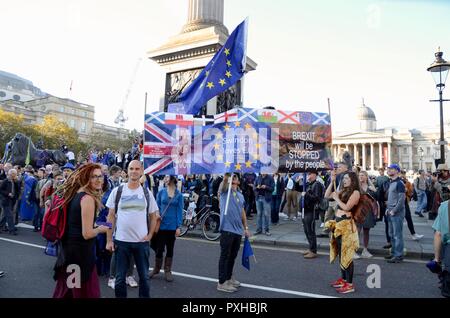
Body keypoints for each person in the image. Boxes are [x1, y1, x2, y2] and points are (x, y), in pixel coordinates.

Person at [52, 163, 110, 298]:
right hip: (80, 255)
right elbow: (87, 233)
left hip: (70, 252)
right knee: (82, 292)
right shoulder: (88, 198)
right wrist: (102, 228)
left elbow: (82, 222)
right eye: (93, 177)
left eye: (100, 176)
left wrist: (106, 223)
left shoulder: (77, 194)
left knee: (70, 290)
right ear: (85, 178)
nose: (98, 180)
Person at [106, 160, 159, 298]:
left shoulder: (147, 193)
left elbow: (154, 217)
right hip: (121, 242)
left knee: (144, 279)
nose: (134, 171)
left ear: (141, 171)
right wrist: (108, 240)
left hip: (141, 243)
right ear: (127, 171)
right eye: (131, 168)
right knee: (119, 280)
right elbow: (110, 217)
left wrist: (150, 235)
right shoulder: (117, 191)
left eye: (137, 169)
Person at [324, 171, 360, 294]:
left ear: (352, 180)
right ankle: (343, 279)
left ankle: (350, 284)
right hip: (338, 225)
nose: (344, 180)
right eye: (343, 178)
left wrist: (336, 198)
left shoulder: (355, 193)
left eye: (346, 178)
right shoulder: (343, 190)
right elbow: (327, 195)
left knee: (347, 256)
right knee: (340, 253)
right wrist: (331, 180)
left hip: (347, 226)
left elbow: (346, 207)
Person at [217, 174, 250, 293]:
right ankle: (221, 282)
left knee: (232, 256)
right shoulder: (225, 190)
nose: (234, 177)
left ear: (239, 181)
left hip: (237, 231)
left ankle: (229, 277)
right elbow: (224, 183)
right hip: (227, 229)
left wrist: (245, 227)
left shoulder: (240, 195)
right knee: (225, 256)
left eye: (235, 176)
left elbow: (242, 212)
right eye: (232, 176)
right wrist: (228, 174)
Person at [151, 175, 183, 282]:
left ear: (173, 179)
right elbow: (156, 206)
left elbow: (179, 211)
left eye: (167, 177)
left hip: (172, 226)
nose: (165, 179)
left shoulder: (179, 195)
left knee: (170, 249)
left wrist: (178, 226)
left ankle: (168, 270)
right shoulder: (161, 192)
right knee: (159, 248)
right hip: (161, 225)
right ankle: (156, 268)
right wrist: (157, 214)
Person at [385, 164, 406, 263]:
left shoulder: (400, 183)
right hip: (390, 211)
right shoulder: (391, 182)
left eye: (391, 169)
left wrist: (394, 210)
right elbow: (392, 198)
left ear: (397, 171)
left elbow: (401, 200)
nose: (389, 170)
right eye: (388, 169)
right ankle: (393, 253)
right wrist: (388, 209)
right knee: (392, 234)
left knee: (397, 235)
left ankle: (398, 255)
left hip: (396, 213)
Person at [355, 171, 378, 259]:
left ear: (366, 177)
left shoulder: (370, 187)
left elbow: (376, 198)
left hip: (368, 211)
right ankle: (353, 250)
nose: (361, 177)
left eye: (363, 175)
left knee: (366, 231)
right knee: (357, 231)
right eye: (359, 175)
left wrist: (374, 191)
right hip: (358, 211)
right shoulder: (356, 187)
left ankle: (365, 250)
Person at [302, 171, 324, 259]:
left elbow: (317, 198)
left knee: (310, 231)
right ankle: (311, 248)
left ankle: (313, 251)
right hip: (306, 210)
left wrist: (306, 194)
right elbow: (297, 188)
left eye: (310, 174)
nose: (308, 175)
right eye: (308, 174)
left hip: (311, 211)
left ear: (315, 175)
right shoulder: (309, 184)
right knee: (306, 230)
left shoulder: (317, 184)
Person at [400, 170, 424, 240]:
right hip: (398, 203)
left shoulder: (407, 182)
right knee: (398, 221)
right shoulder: (396, 182)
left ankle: (413, 234)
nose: (402, 175)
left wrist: (407, 190)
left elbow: (411, 193)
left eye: (403, 174)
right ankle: (395, 237)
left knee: (409, 218)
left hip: (404, 202)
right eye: (401, 174)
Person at [0, 169, 20, 235]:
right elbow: (1, 190)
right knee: (10, 215)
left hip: (12, 200)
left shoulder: (15, 181)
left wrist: (16, 196)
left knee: (5, 216)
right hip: (5, 200)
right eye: (14, 174)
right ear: (10, 174)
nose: (15, 175)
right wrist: (8, 193)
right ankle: (12, 230)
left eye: (15, 174)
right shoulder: (5, 181)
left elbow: (17, 190)